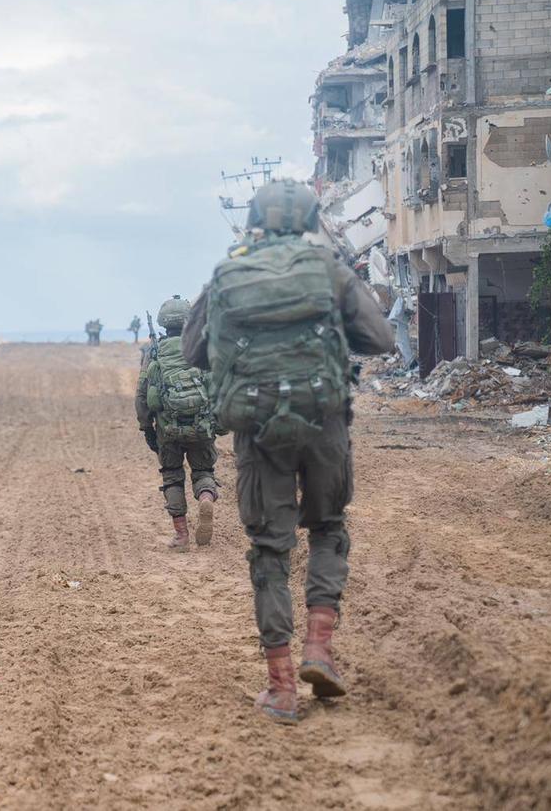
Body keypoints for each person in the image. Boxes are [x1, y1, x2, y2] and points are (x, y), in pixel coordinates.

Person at [182, 179, 394, 724]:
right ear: (307, 219)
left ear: (254, 218)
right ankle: (318, 650)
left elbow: (193, 350)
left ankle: (280, 690)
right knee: (327, 528)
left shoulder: (229, 272)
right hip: (324, 424)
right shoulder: (329, 269)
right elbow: (380, 339)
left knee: (269, 552)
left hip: (256, 431)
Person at [136, 296, 219, 550]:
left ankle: (181, 536)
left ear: (163, 324)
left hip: (167, 430)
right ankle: (205, 496)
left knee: (172, 477)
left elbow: (142, 396)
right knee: (204, 472)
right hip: (201, 427)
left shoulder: (155, 352)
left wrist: (146, 428)